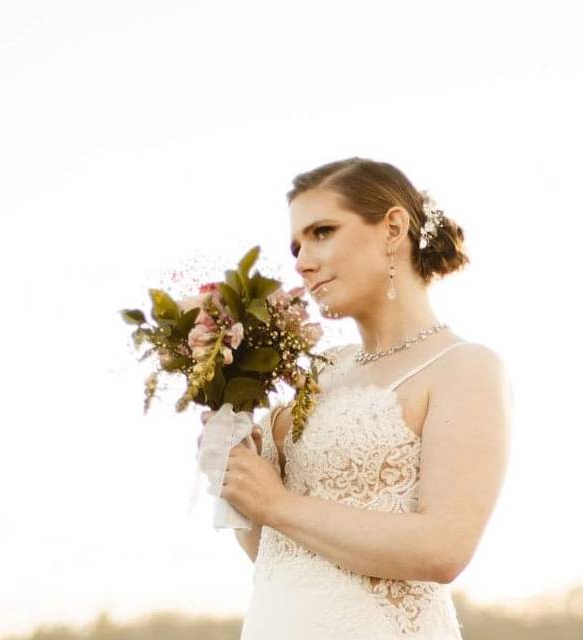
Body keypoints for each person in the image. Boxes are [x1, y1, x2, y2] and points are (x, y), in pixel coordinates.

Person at [215, 157, 512, 639]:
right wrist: (238, 471)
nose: (301, 261)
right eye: (296, 245)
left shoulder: (465, 367)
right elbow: (272, 551)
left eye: (322, 232)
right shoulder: (316, 375)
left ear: (393, 227)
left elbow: (444, 549)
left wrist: (275, 504)